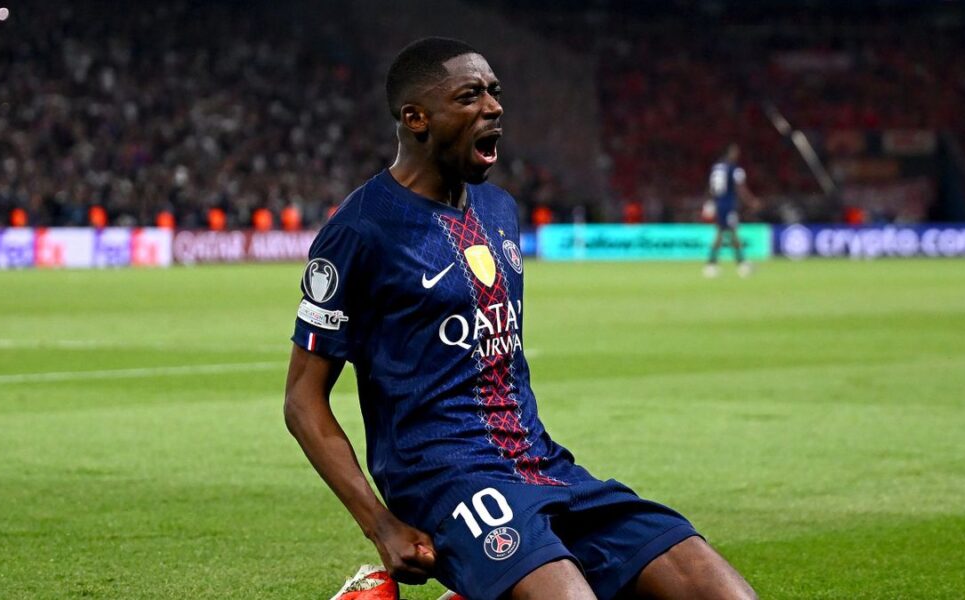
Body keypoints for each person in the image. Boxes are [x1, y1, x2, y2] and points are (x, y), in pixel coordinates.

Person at [285, 37, 757, 600]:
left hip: (542, 464)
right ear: (416, 118)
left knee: (723, 591)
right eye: (469, 96)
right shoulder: (360, 231)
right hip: (442, 477)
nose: (493, 107)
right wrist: (380, 523)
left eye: (494, 92)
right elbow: (302, 401)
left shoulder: (499, 210)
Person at [703, 144, 758, 278]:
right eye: (735, 152)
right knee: (729, 232)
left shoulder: (716, 167)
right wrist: (751, 201)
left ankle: (715, 264)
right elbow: (740, 187)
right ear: (731, 153)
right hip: (728, 204)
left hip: (718, 203)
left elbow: (711, 187)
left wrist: (709, 202)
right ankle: (738, 264)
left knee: (724, 232)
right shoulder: (734, 169)